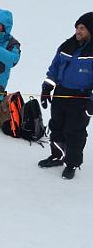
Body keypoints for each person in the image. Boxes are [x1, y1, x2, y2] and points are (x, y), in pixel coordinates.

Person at [38, 12, 93, 180]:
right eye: (77, 27)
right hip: (61, 93)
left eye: (82, 28)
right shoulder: (67, 46)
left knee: (74, 132)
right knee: (56, 126)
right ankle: (57, 155)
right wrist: (47, 87)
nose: (78, 31)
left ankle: (72, 163)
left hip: (81, 98)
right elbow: (54, 67)